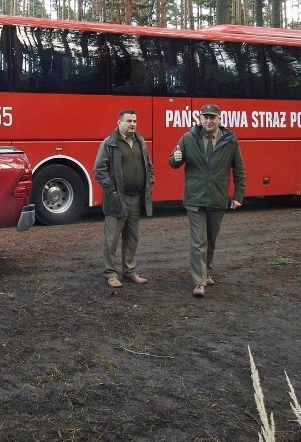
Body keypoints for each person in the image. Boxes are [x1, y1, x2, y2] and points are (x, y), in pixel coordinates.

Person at [169, 103, 246, 298]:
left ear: (219, 119)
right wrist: (176, 158)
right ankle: (198, 282)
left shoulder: (230, 140)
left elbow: (239, 170)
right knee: (198, 241)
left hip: (218, 197)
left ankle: (206, 271)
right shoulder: (188, 138)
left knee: (211, 239)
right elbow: (173, 162)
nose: (209, 121)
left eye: (213, 117)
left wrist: (238, 196)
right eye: (206, 117)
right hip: (195, 198)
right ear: (200, 118)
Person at [94, 109, 155, 288]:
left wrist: (150, 180)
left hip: (136, 198)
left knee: (132, 238)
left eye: (135, 121)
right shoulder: (109, 143)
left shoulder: (140, 141)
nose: (133, 124)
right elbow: (99, 170)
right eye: (129, 121)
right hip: (116, 199)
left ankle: (129, 271)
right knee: (112, 238)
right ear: (119, 123)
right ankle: (110, 273)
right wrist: (111, 191)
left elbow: (149, 167)